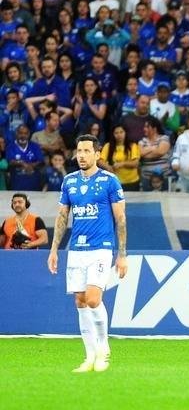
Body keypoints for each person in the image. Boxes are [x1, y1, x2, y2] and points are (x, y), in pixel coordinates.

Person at [47, 134, 129, 373]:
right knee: (80, 302)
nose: (81, 155)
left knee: (93, 299)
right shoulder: (69, 182)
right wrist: (54, 250)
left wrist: (122, 254)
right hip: (77, 250)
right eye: (79, 150)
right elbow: (63, 217)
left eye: (86, 151)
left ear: (97, 154)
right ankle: (89, 356)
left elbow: (120, 219)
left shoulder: (110, 181)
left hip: (101, 248)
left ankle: (103, 349)